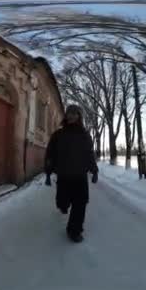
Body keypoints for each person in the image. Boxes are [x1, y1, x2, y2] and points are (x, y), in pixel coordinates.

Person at [45, 104, 99, 243]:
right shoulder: (58, 134)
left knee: (80, 203)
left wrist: (94, 171)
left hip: (80, 175)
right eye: (69, 113)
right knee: (63, 201)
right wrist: (48, 173)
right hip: (63, 174)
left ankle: (74, 231)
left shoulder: (85, 135)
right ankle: (63, 205)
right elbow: (50, 154)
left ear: (79, 116)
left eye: (75, 113)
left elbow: (89, 154)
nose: (71, 115)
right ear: (66, 115)